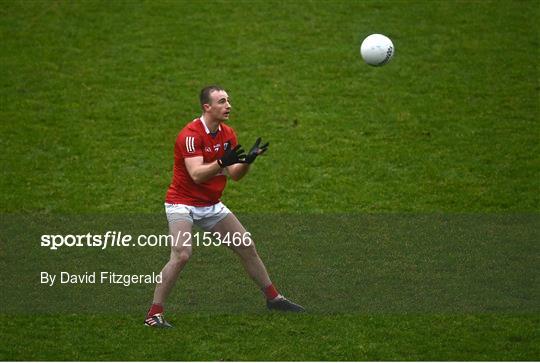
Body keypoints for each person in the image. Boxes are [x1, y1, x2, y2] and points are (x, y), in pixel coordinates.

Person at [145, 85, 304, 328]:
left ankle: (274, 298)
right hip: (182, 203)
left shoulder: (227, 133)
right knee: (181, 255)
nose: (228, 105)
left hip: (210, 204)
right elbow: (197, 174)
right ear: (206, 107)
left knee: (246, 245)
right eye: (221, 101)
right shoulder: (190, 135)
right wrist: (221, 161)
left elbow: (235, 175)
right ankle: (153, 315)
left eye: (228, 100)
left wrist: (248, 161)